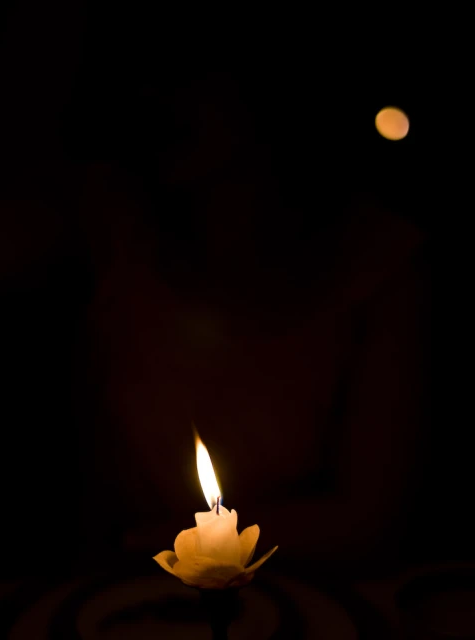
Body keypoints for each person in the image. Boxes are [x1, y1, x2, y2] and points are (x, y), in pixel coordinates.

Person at [78, 72, 429, 575]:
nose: (156, 94)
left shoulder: (376, 262)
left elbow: (371, 522)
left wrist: (164, 552)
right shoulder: (112, 223)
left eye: (193, 71)